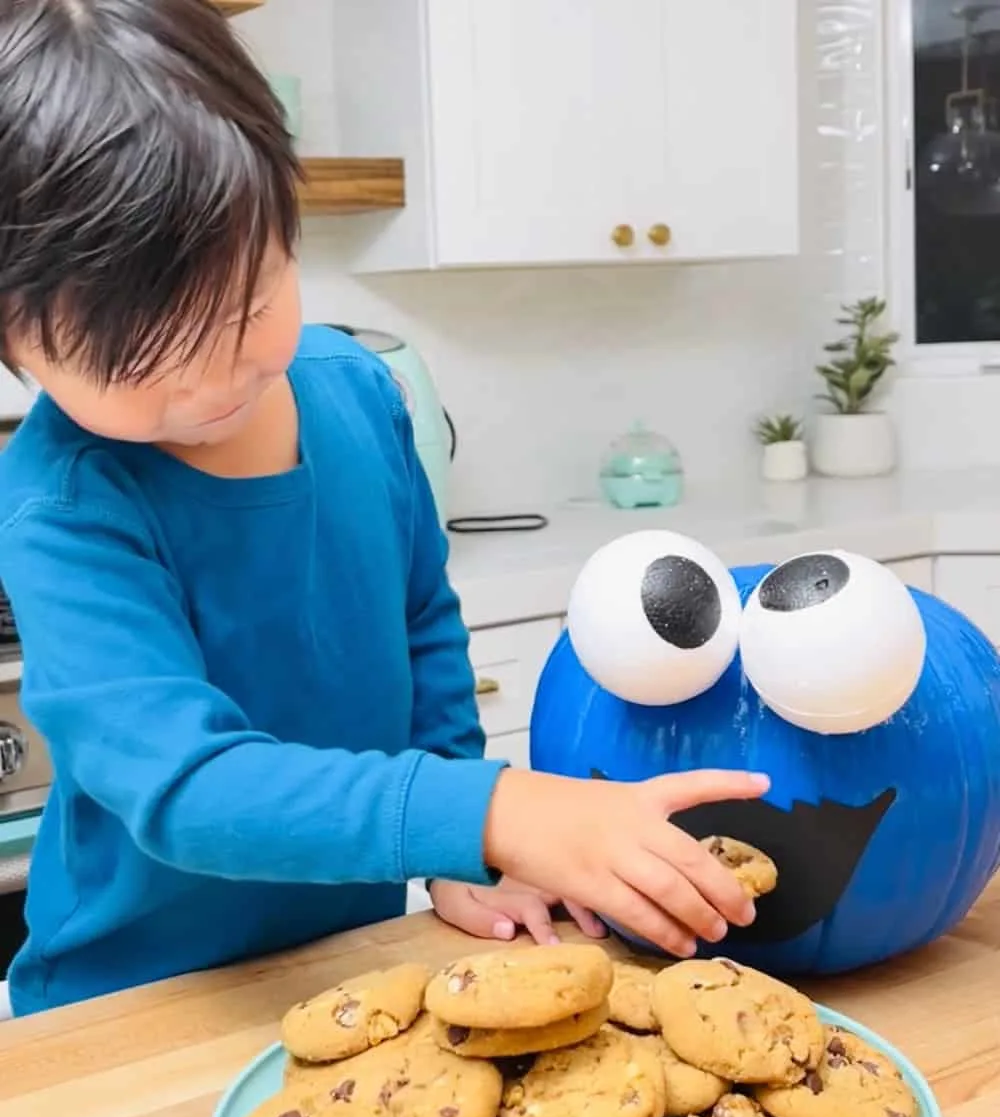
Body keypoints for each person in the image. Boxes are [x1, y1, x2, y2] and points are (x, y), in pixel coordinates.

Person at [0, 0, 768, 1017]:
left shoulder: (360, 391)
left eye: (242, 311)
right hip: (135, 998)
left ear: (285, 221)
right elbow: (185, 786)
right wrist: (494, 810)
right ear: (18, 351)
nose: (205, 387)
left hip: (354, 960)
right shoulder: (64, 501)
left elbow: (421, 625)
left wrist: (461, 847)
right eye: (133, 365)